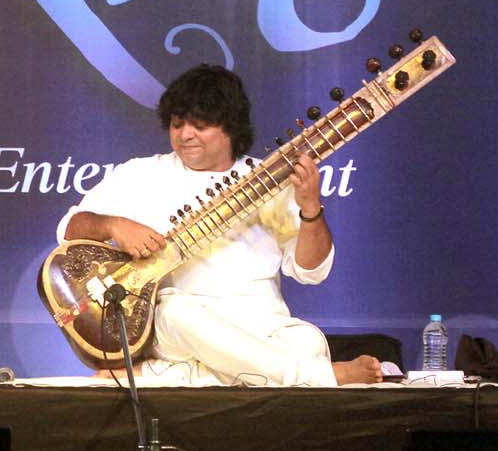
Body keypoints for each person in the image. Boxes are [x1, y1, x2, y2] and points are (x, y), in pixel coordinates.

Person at [57, 63, 382, 387]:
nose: (185, 135)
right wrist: (113, 225)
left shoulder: (269, 179)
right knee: (175, 311)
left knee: (308, 342)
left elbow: (311, 271)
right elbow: (70, 229)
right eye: (177, 124)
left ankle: (171, 375)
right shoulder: (141, 174)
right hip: (183, 329)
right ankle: (317, 376)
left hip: (259, 326)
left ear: (230, 126)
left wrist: (310, 208)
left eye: (199, 125)